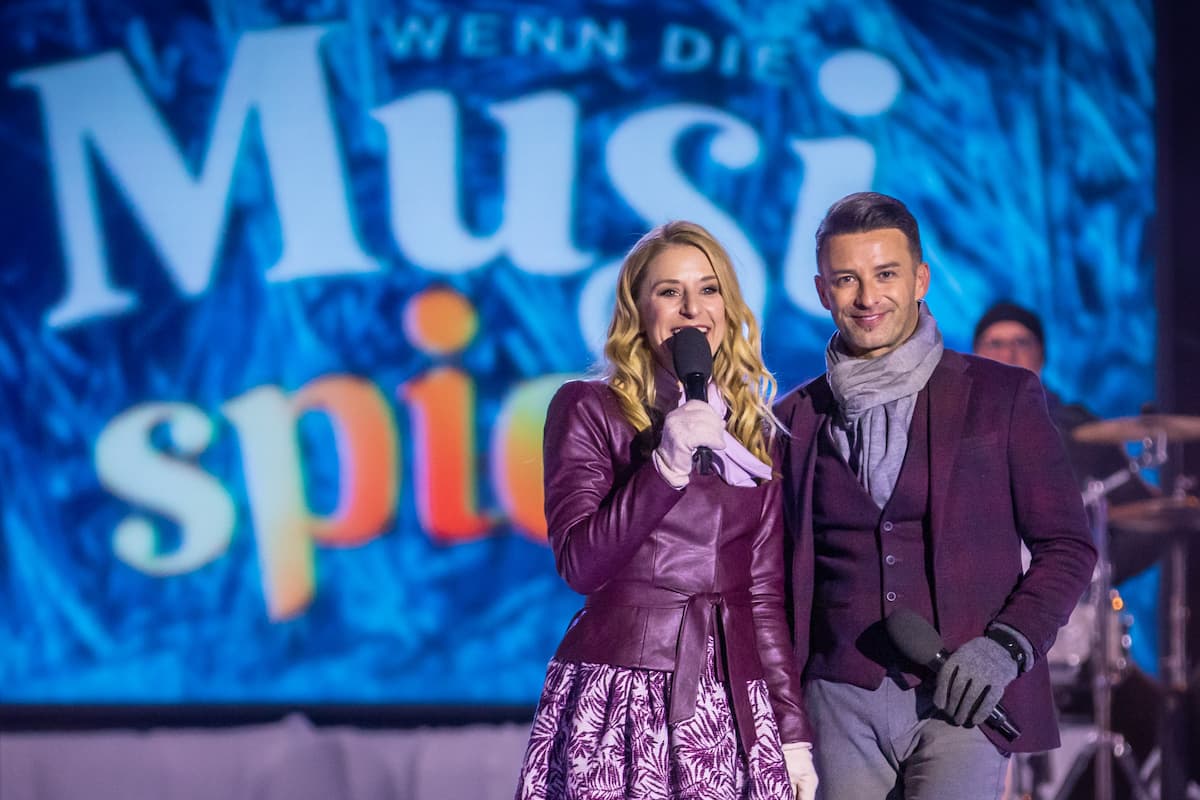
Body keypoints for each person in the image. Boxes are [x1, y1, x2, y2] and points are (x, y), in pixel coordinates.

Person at [773, 192, 1097, 799]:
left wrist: (1006, 648)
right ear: (823, 291)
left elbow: (1067, 547)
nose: (869, 297)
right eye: (848, 280)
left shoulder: (1003, 395)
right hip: (838, 700)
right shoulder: (793, 419)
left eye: (886, 274)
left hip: (963, 699)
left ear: (920, 278)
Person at [515, 221, 818, 800]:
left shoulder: (753, 430)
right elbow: (581, 564)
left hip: (733, 699)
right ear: (638, 307)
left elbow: (761, 596)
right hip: (625, 692)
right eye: (669, 292)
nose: (691, 309)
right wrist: (665, 464)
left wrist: (793, 735)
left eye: (708, 290)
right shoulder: (589, 408)